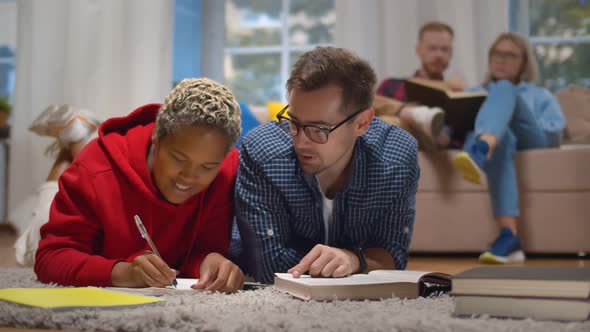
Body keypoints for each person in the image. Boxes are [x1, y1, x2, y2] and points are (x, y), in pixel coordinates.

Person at [34, 78, 245, 292]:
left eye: (207, 167)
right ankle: (71, 145)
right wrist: (122, 273)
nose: (189, 177)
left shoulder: (226, 170)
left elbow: (204, 247)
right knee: (28, 244)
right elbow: (49, 258)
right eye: (179, 159)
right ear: (156, 135)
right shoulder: (92, 170)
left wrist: (210, 261)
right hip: (85, 186)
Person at [232, 47, 420, 284]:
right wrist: (361, 262)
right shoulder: (262, 151)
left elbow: (394, 256)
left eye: (318, 129)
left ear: (362, 123)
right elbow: (268, 265)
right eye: (294, 122)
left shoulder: (397, 157)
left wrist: (352, 260)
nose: (300, 141)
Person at [452, 33, 566, 264]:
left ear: (523, 62)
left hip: (533, 138)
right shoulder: (474, 91)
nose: (502, 60)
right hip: (502, 142)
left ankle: (482, 148)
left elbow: (555, 131)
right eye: (497, 54)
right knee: (504, 138)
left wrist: (513, 115)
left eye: (510, 55)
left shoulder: (539, 94)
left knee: (504, 88)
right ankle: (508, 236)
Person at [12, 104, 101, 267]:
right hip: (57, 239)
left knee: (48, 212)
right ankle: (74, 137)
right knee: (39, 235)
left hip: (56, 235)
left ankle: (73, 138)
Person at [376, 21, 465, 149]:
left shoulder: (457, 93)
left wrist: (447, 139)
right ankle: (412, 113)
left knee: (390, 122)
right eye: (432, 48)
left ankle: (415, 115)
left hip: (434, 147)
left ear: (451, 53)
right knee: (389, 122)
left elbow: (461, 143)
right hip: (396, 139)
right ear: (419, 50)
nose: (439, 55)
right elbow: (372, 124)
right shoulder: (392, 85)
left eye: (444, 49)